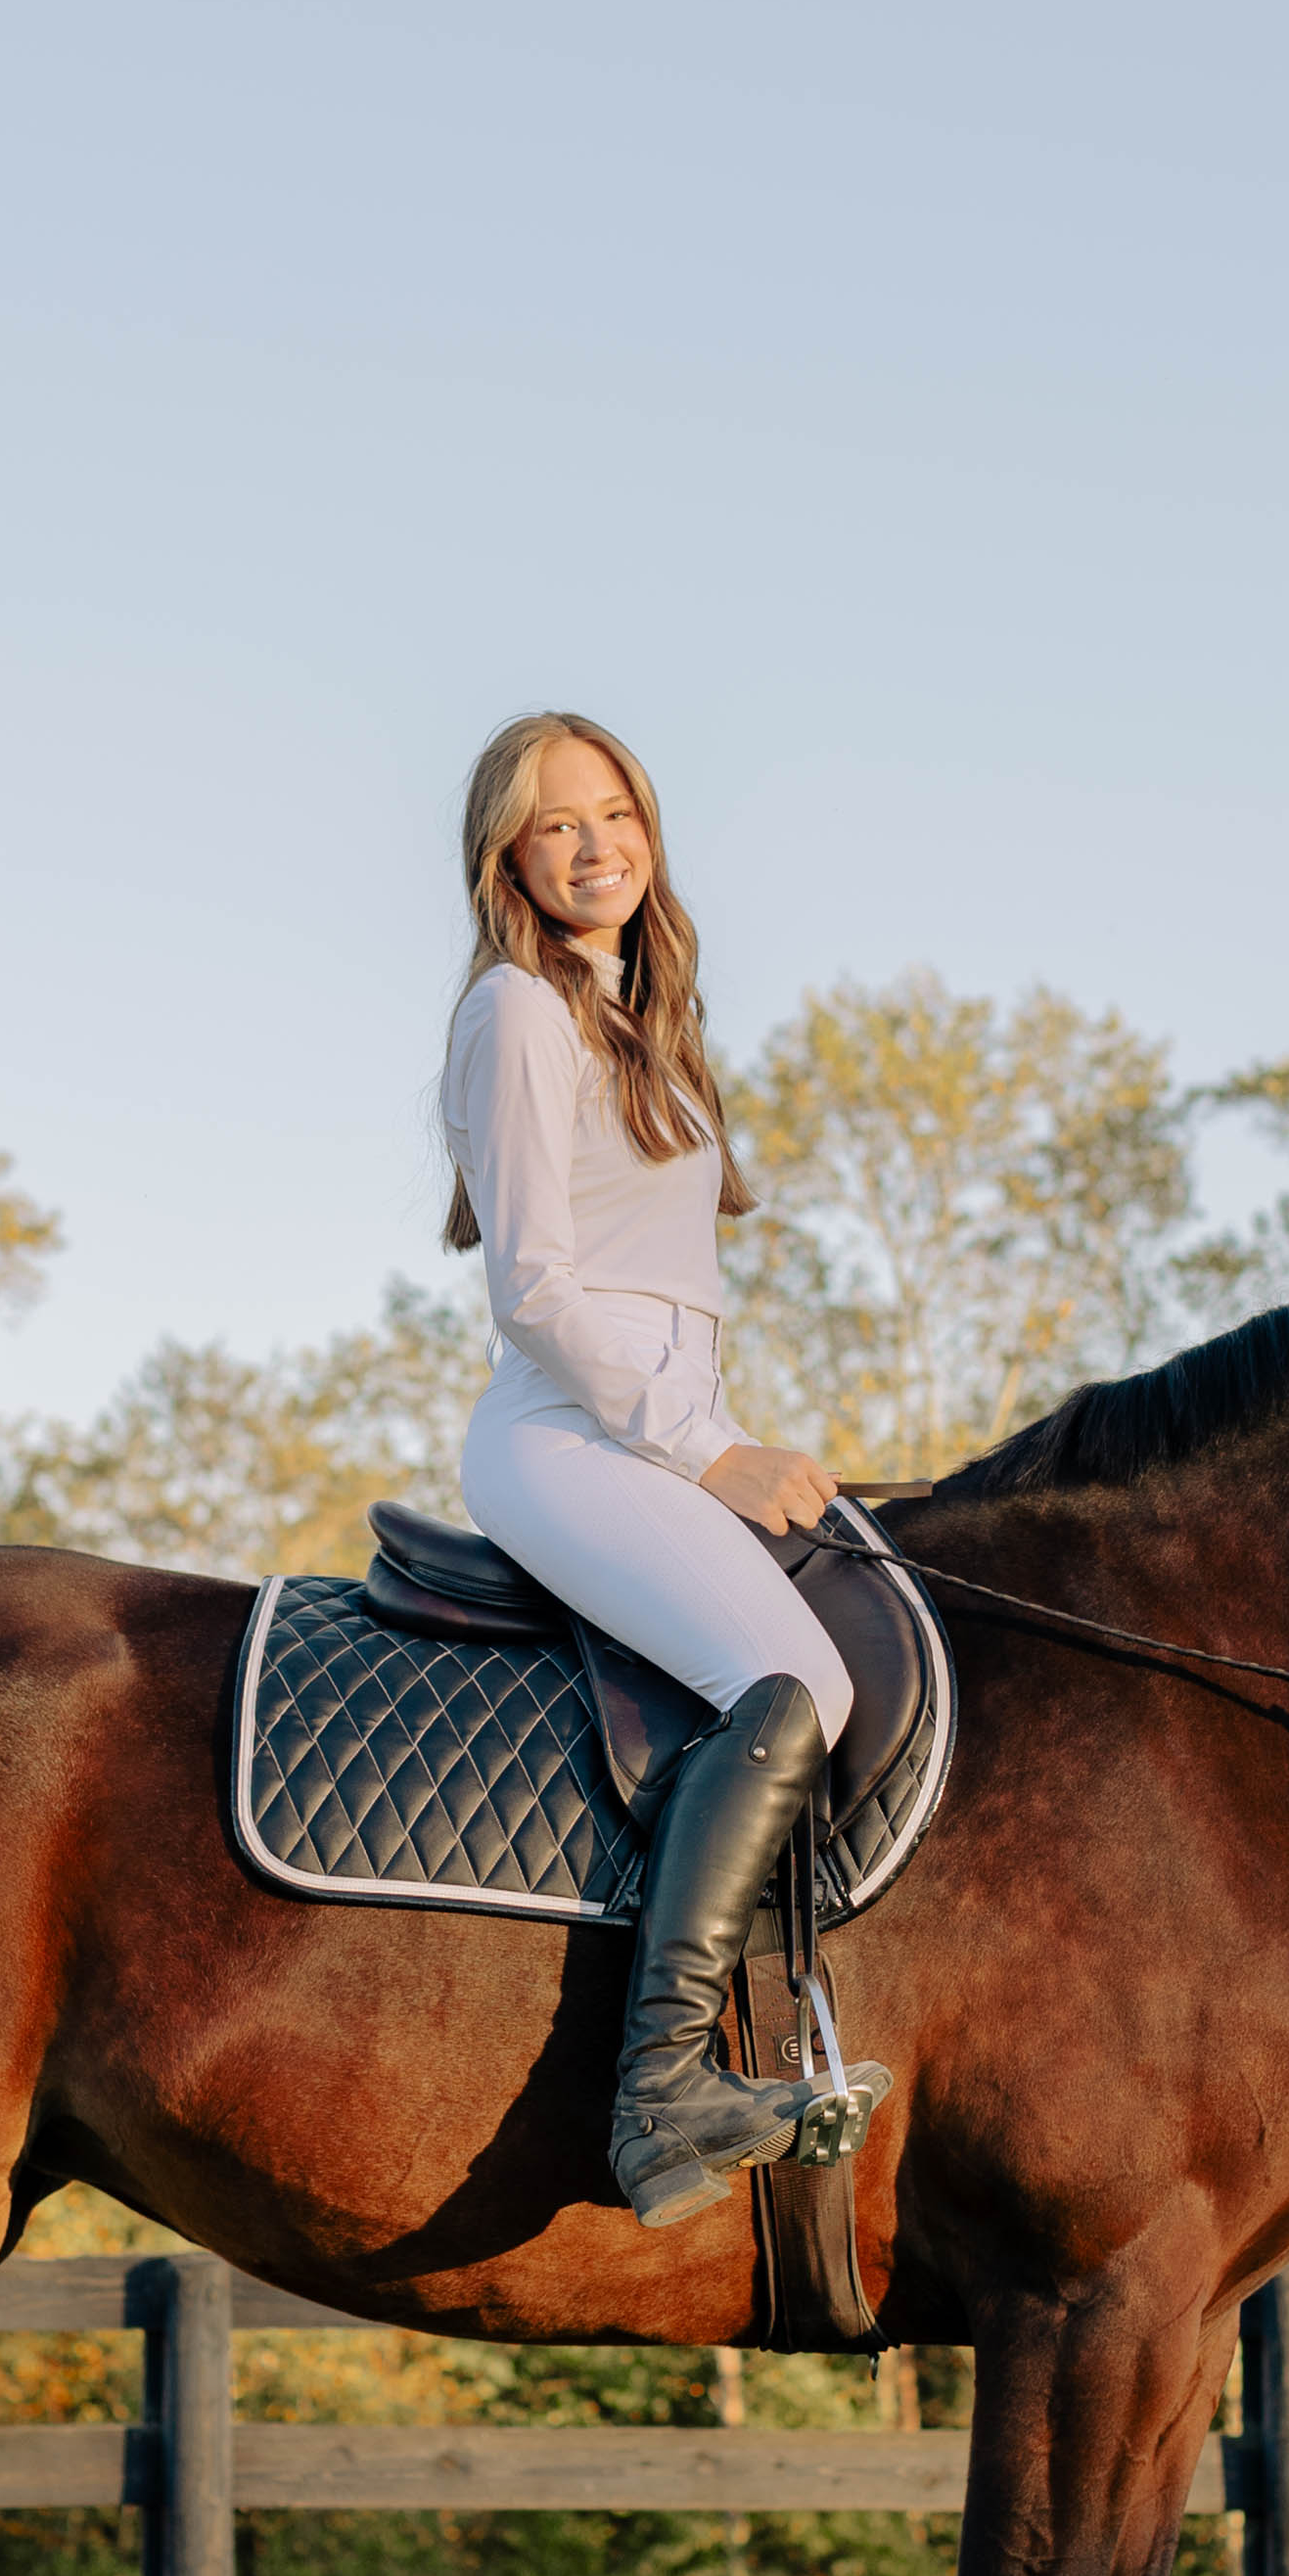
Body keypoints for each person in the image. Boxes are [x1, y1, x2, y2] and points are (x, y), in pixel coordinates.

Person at [439, 710, 891, 2225]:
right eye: (559, 822)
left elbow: (668, 1296)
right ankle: (663, 2087)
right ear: (509, 851)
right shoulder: (515, 1010)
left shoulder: (641, 1015)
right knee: (797, 1687)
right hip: (564, 1435)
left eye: (617, 811)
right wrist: (712, 1455)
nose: (596, 844)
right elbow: (539, 1293)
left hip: (649, 1421)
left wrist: (730, 1439)